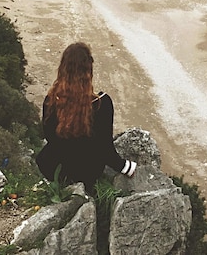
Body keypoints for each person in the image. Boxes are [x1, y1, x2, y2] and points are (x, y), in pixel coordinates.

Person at [35, 42, 137, 193]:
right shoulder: (101, 103)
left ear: (62, 69)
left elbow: (50, 138)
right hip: (88, 172)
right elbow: (105, 148)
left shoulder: (51, 100)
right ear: (89, 71)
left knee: (46, 154)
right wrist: (125, 167)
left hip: (55, 169)